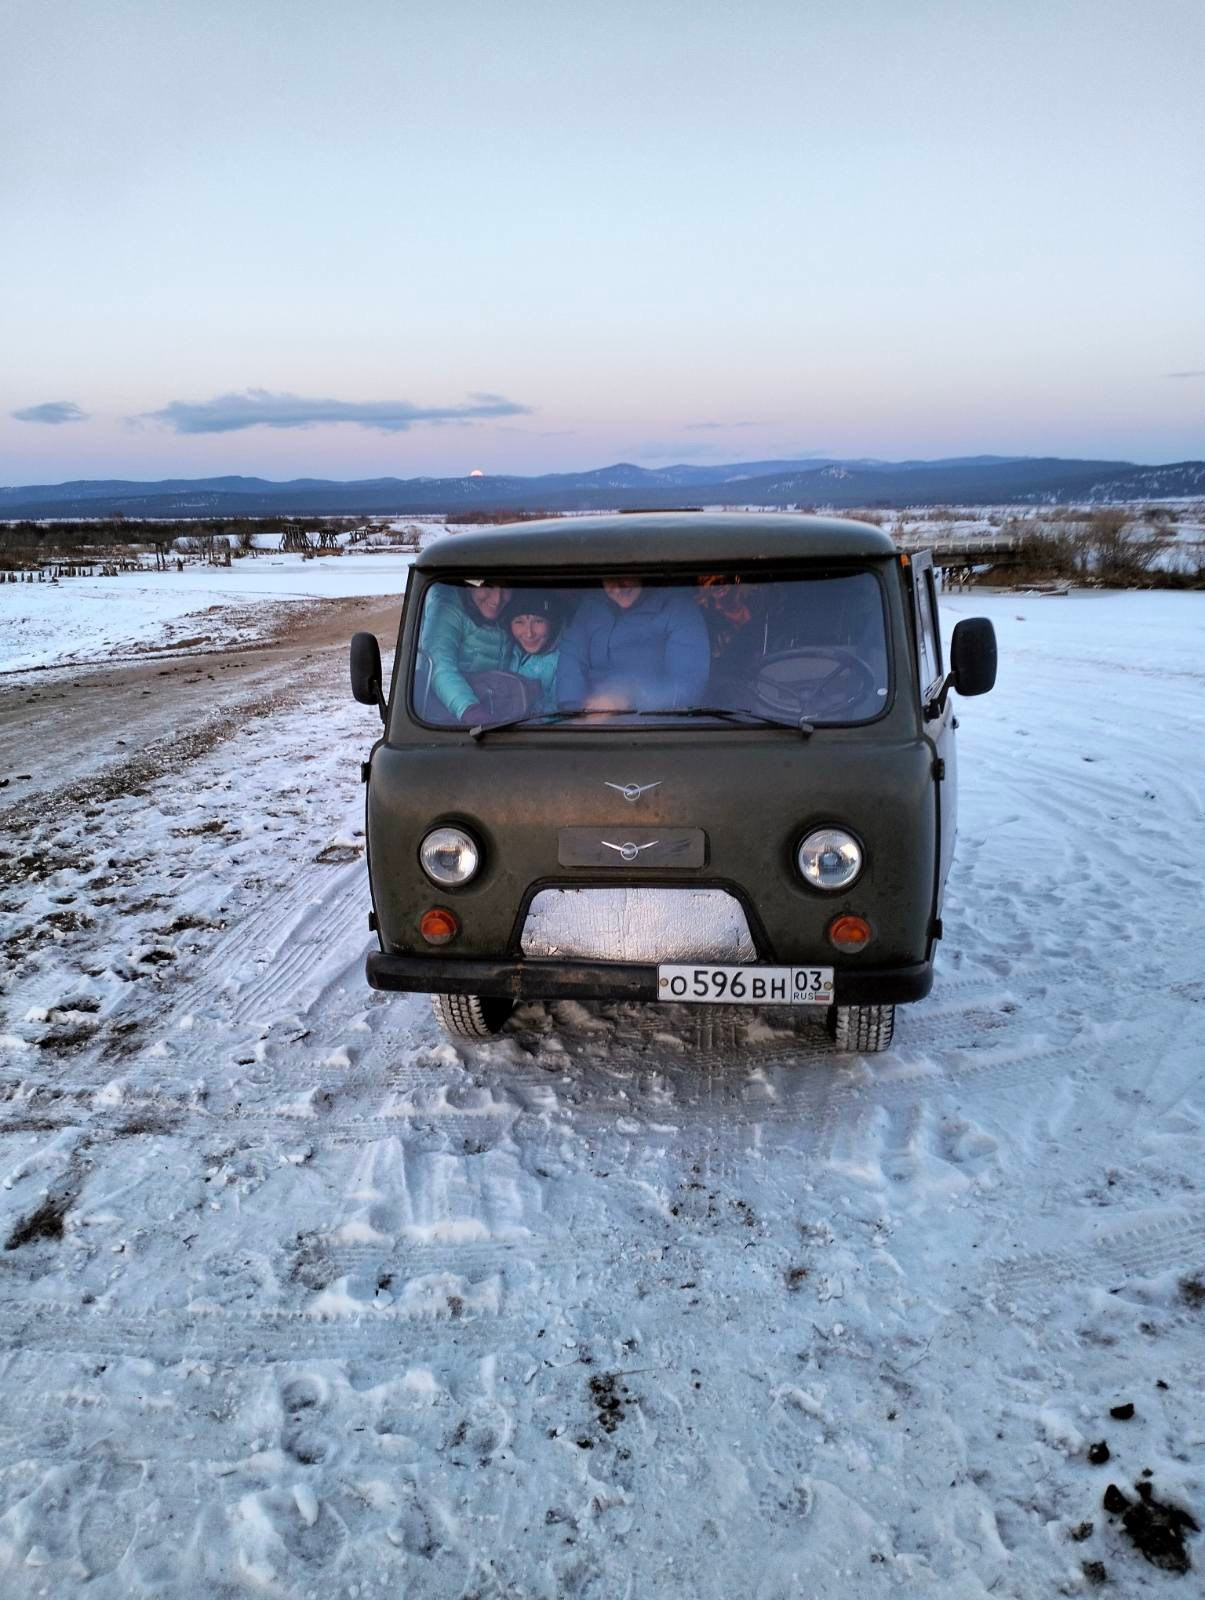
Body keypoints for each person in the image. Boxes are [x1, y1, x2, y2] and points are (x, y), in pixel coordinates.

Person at [555, 577, 710, 712]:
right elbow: (572, 657)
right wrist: (575, 709)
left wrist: (627, 699)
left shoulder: (679, 606)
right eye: (609, 579)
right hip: (587, 721)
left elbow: (689, 686)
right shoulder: (592, 603)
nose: (617, 588)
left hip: (652, 723)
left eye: (625, 576)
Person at [422, 582, 513, 722]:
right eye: (488, 586)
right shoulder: (446, 609)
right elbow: (438, 665)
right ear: (470, 585)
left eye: (506, 588)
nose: (497, 599)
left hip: (506, 716)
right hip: (455, 718)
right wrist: (470, 711)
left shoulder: (514, 610)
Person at [505, 591, 565, 711]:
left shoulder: (564, 660)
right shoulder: (508, 649)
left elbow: (559, 712)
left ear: (552, 623)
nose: (529, 633)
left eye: (538, 621)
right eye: (519, 622)